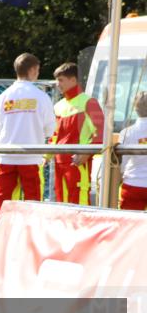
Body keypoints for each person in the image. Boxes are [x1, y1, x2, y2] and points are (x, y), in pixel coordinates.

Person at [0, 53, 56, 223]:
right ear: (33, 70)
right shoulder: (41, 96)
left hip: (6, 156)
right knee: (33, 204)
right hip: (31, 157)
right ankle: (30, 239)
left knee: (2, 204)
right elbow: (50, 129)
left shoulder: (3, 96)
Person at [51, 62, 105, 205]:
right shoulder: (58, 106)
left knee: (79, 203)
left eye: (61, 80)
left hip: (77, 163)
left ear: (73, 80)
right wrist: (45, 156)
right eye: (57, 80)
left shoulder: (89, 102)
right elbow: (54, 135)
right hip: (59, 162)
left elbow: (100, 133)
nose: (57, 84)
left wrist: (86, 154)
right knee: (61, 203)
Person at [118, 91, 147, 211]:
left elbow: (122, 164)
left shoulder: (127, 133)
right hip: (134, 184)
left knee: (129, 227)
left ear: (135, 108)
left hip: (133, 184)